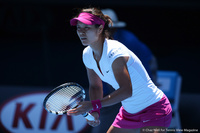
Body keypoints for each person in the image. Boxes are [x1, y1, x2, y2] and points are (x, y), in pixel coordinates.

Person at [68, 7, 172, 133]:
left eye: (87, 28)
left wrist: (94, 104)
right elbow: (95, 86)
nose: (81, 32)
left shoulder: (114, 52)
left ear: (100, 29)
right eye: (79, 28)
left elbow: (126, 91)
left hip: (154, 109)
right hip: (129, 112)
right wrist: (95, 111)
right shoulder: (87, 54)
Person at [102, 9, 158, 86]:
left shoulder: (129, 41)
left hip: (144, 62)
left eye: (108, 29)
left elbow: (142, 64)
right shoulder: (96, 42)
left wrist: (148, 85)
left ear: (115, 28)